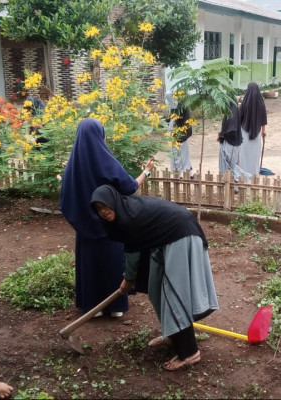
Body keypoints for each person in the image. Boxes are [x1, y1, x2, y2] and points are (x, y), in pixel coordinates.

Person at [90, 184, 219, 371]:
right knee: (156, 287)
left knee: (174, 292)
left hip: (181, 234)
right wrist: (133, 277)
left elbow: (133, 253)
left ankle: (190, 353)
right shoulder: (124, 212)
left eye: (106, 206)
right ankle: (173, 333)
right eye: (99, 209)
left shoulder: (127, 219)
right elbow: (138, 248)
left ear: (114, 202)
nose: (104, 212)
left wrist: (128, 278)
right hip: (164, 237)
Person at [60, 118, 154, 317]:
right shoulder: (106, 162)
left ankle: (92, 309)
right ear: (99, 135)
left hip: (85, 232)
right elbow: (130, 187)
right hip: (110, 227)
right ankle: (115, 307)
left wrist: (82, 220)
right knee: (112, 264)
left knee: (90, 266)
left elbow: (65, 201)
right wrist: (146, 171)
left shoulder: (71, 168)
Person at [238, 82, 267, 179]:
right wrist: (263, 131)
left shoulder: (244, 103)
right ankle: (254, 173)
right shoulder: (261, 103)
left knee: (244, 153)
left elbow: (240, 118)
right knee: (254, 153)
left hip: (244, 132)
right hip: (257, 133)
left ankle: (244, 173)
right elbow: (263, 119)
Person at [217, 97, 249, 183]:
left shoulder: (232, 113)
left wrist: (223, 135)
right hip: (229, 143)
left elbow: (231, 130)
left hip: (231, 144)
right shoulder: (229, 112)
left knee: (230, 167)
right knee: (227, 166)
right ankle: (233, 185)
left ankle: (244, 181)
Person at [166, 93, 194, 178]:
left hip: (181, 135)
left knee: (181, 156)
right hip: (173, 134)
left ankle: (183, 174)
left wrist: (180, 135)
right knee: (179, 155)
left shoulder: (182, 107)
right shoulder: (174, 107)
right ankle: (189, 174)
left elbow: (184, 122)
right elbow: (172, 119)